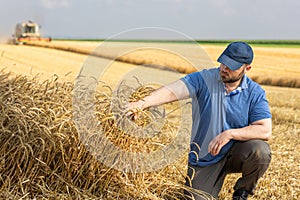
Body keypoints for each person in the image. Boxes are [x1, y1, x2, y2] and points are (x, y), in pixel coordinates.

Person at [127, 42, 272, 200]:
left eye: (232, 66)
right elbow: (172, 91)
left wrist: (229, 134)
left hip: (236, 152)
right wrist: (142, 103)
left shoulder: (255, 93)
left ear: (247, 68)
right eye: (223, 62)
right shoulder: (203, 79)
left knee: (260, 151)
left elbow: (265, 129)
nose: (224, 68)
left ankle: (242, 192)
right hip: (205, 157)